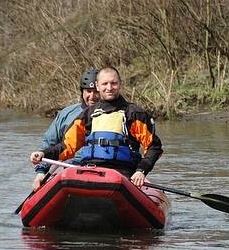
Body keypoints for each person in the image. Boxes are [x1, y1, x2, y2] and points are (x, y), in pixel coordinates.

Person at [30, 66, 163, 188]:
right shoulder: (87, 115)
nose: (109, 87)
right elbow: (67, 146)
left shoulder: (134, 113)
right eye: (105, 84)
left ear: (120, 85)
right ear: (98, 86)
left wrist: (141, 171)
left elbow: (153, 147)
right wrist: (43, 153)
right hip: (91, 170)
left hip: (123, 173)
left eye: (114, 83)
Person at [32, 68, 100, 190]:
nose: (92, 96)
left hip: (102, 170)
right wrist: (41, 172)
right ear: (82, 92)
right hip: (68, 168)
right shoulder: (67, 113)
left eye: (96, 91)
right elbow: (49, 143)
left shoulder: (114, 114)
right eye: (88, 91)